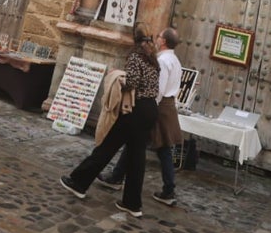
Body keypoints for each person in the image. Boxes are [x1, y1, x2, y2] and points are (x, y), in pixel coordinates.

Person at [59, 23, 161, 218]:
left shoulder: (135, 56)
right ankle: (132, 204)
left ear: (134, 38)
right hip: (150, 110)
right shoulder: (153, 59)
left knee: (107, 146)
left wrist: (118, 78)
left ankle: (78, 182)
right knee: (136, 157)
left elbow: (132, 82)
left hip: (135, 109)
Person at [96, 27, 184, 206]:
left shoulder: (163, 61)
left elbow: (158, 88)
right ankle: (117, 177)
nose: (156, 39)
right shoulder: (175, 61)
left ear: (163, 41)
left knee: (161, 149)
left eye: (159, 36)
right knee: (139, 143)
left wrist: (149, 106)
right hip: (166, 105)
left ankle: (168, 189)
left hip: (159, 106)